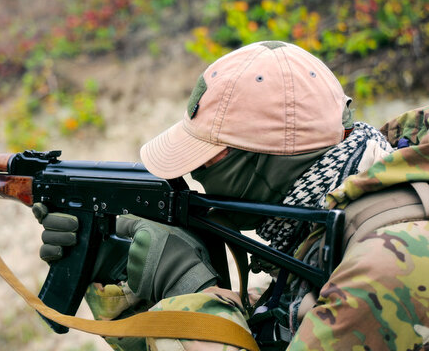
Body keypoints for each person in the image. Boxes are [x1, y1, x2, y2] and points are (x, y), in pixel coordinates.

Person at [33, 40, 429, 350]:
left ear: (272, 158)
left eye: (211, 157)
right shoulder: (326, 233)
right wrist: (118, 272)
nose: (194, 171)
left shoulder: (387, 265)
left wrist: (187, 285)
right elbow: (265, 330)